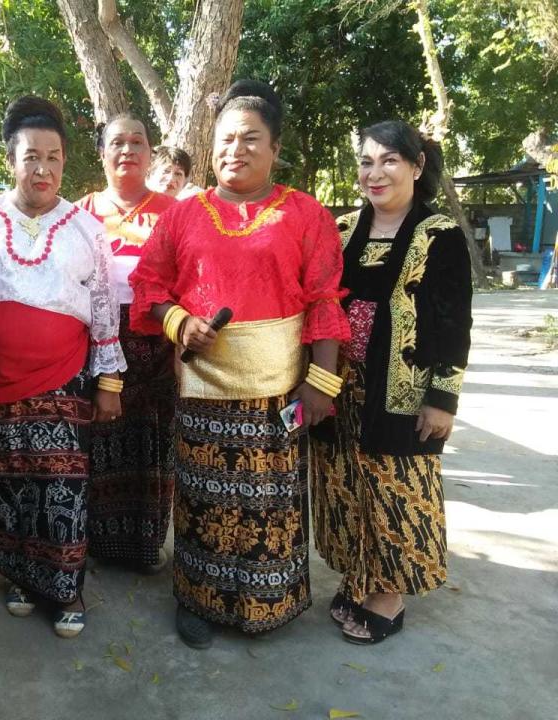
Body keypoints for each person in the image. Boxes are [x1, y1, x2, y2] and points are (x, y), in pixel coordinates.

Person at [129, 79, 351, 649]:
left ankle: (265, 601)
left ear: (275, 148)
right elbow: (148, 285)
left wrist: (320, 384)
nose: (236, 149)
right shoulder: (185, 215)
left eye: (251, 138)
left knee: (268, 502)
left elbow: (325, 301)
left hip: (279, 393)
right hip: (202, 387)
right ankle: (197, 600)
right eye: (226, 139)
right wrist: (180, 322)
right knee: (203, 500)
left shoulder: (306, 214)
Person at [0, 96, 126, 639]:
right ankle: (21, 576)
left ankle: (66, 584)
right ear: (11, 159)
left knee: (61, 483)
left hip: (64, 377)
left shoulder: (86, 230)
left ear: (65, 160)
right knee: (5, 482)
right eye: (31, 156)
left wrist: (109, 382)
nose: (43, 168)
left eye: (53, 156)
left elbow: (102, 306)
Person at [310, 120, 472, 645]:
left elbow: (453, 321)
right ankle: (358, 578)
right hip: (342, 382)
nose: (374, 173)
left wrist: (443, 397)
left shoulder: (439, 233)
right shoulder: (343, 230)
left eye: (389, 161)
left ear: (417, 166)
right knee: (346, 483)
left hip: (402, 385)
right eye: (366, 162)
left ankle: (388, 595)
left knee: (394, 490)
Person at [77, 116, 177, 573]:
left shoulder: (176, 212)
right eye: (117, 142)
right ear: (101, 153)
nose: (128, 150)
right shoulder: (80, 213)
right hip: (96, 344)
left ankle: (144, 545)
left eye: (138, 142)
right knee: (100, 438)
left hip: (158, 347)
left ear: (151, 153)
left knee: (152, 444)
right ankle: (98, 540)